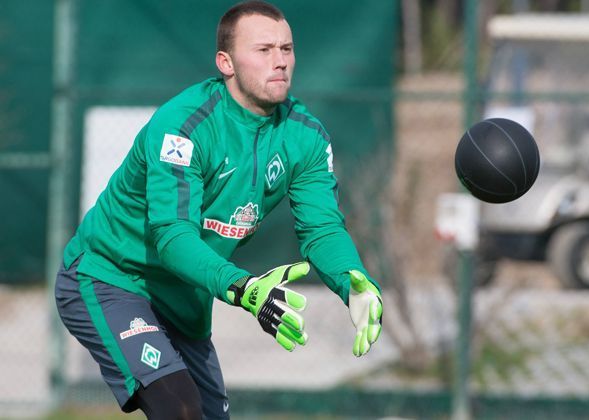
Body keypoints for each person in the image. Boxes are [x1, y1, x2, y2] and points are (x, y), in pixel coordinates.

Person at [54, 1, 383, 419]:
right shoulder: (184, 126)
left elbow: (322, 230)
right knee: (180, 410)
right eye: (263, 50)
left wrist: (352, 280)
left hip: (186, 300)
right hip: (112, 277)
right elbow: (173, 239)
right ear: (225, 63)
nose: (280, 61)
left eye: (286, 48)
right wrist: (243, 288)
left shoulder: (305, 136)